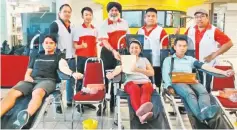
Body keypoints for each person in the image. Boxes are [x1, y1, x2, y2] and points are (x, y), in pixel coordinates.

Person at [0, 35, 83, 129]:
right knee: (12, 92)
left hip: (48, 81)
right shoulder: (36, 56)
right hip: (32, 80)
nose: (48, 45)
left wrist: (72, 74)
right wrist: (27, 77)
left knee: (37, 92)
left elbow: (64, 68)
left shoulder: (58, 57)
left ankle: (26, 115)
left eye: (51, 43)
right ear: (43, 44)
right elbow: (28, 72)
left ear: (55, 45)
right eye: (46, 43)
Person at [162, 36, 234, 126]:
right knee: (189, 93)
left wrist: (223, 72)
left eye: (184, 46)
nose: (182, 48)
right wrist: (169, 86)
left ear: (187, 47)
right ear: (175, 47)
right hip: (177, 81)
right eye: (180, 46)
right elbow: (165, 74)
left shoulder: (190, 59)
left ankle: (205, 110)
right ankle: (201, 116)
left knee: (203, 91)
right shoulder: (168, 60)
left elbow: (204, 67)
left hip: (190, 80)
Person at [175, 9, 233, 93]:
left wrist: (213, 55)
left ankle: (205, 104)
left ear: (207, 18)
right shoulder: (191, 29)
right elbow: (182, 42)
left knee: (205, 88)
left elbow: (229, 43)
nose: (199, 19)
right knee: (193, 87)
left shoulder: (214, 30)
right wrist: (177, 35)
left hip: (206, 65)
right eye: (197, 17)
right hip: (192, 64)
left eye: (202, 16)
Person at [107, 39, 155, 124]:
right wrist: (112, 74)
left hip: (144, 81)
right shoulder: (126, 59)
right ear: (129, 49)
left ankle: (142, 115)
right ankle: (141, 115)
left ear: (140, 49)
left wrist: (137, 69)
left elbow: (151, 73)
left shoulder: (144, 60)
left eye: (136, 48)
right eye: (132, 48)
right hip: (131, 82)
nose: (134, 49)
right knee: (135, 89)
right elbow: (119, 68)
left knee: (146, 88)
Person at [97, 1, 129, 116]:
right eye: (112, 10)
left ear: (119, 12)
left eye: (116, 10)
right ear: (108, 11)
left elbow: (127, 38)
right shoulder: (104, 24)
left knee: (118, 78)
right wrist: (113, 51)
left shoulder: (124, 23)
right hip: (107, 53)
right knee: (105, 78)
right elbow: (104, 41)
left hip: (120, 53)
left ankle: (114, 104)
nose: (114, 12)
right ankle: (102, 104)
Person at [49, 4, 75, 113]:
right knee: (58, 81)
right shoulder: (55, 24)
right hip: (60, 57)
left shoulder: (72, 26)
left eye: (69, 12)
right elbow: (51, 40)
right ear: (60, 13)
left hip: (71, 56)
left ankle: (69, 100)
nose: (67, 13)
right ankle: (57, 103)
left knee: (71, 79)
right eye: (65, 11)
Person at [72, 7, 97, 112]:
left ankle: (87, 102)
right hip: (82, 58)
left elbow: (95, 46)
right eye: (86, 14)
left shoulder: (95, 29)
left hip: (93, 58)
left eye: (90, 14)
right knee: (80, 80)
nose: (88, 16)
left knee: (90, 81)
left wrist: (97, 57)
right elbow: (75, 46)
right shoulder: (78, 29)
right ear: (82, 16)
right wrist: (82, 46)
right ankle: (79, 103)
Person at [137, 8, 168, 91]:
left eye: (153, 16)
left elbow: (164, 48)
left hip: (156, 63)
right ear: (145, 18)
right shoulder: (140, 31)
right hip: (142, 64)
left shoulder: (161, 31)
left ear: (156, 18)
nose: (151, 18)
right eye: (149, 16)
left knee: (155, 85)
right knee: (143, 84)